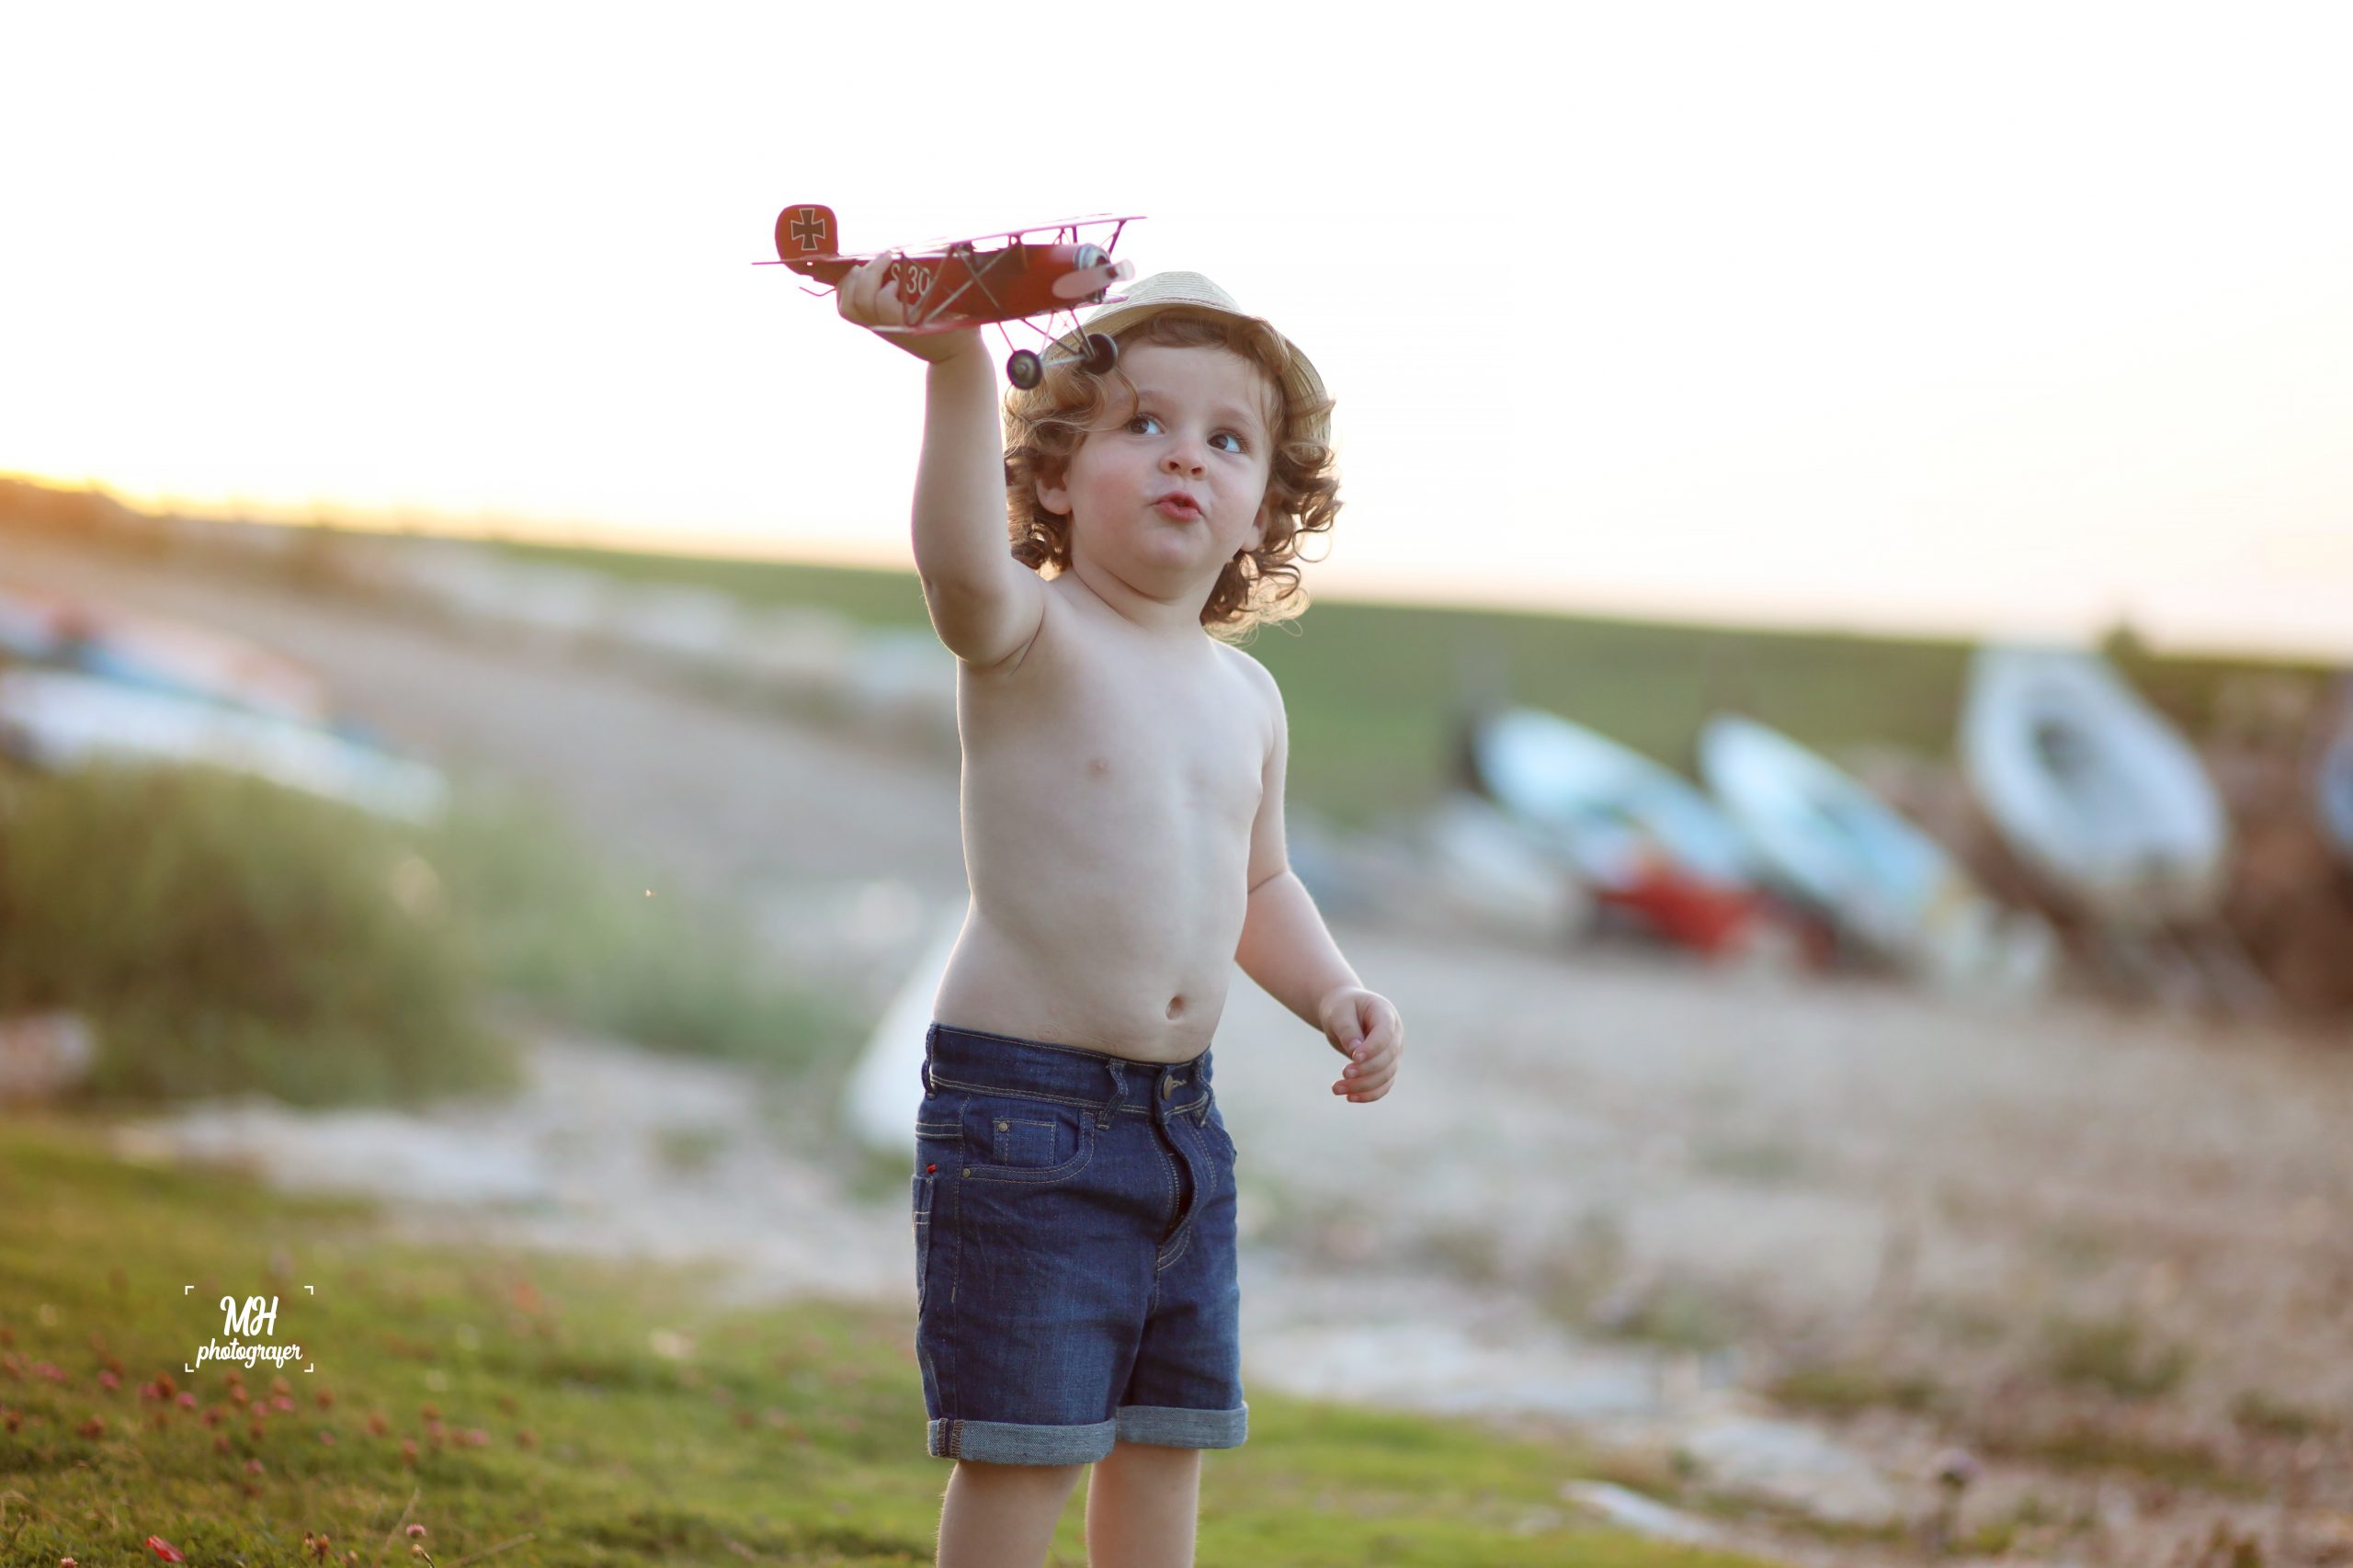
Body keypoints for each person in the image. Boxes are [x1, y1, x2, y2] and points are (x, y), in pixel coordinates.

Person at [834, 256, 1406, 1568]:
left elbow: (1259, 884)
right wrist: (957, 365)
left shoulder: (1248, 698)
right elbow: (954, 565)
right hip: (1024, 1115)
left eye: (1227, 439)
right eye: (1143, 423)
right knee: (1025, 1446)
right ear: (1052, 476)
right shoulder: (1032, 633)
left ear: (1265, 509)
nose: (1185, 456)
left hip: (1182, 1129)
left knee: (1165, 1443)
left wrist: (1333, 990)